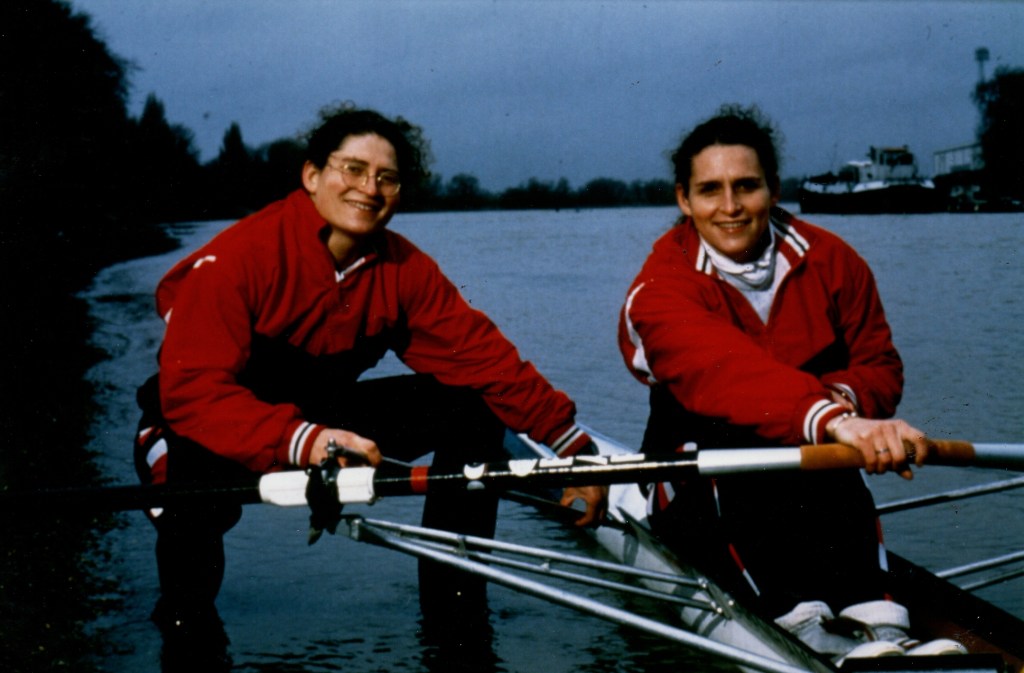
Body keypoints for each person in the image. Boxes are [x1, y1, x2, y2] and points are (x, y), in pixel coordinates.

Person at [134, 105, 606, 661]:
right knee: (190, 580)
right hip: (205, 426)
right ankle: (188, 637)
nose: (369, 188)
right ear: (312, 176)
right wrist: (307, 442)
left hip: (319, 419)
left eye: (387, 177)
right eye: (352, 169)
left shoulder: (406, 270)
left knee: (472, 409)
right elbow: (194, 394)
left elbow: (485, 360)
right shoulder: (235, 259)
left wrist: (573, 447)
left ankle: (455, 615)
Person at [617, 105, 964, 661]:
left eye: (746, 187)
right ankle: (798, 625)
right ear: (684, 201)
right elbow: (722, 371)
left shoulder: (835, 262)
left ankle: (878, 619)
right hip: (699, 470)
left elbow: (879, 362)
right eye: (710, 191)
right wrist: (836, 420)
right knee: (759, 449)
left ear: (774, 190)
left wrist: (845, 405)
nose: (729, 208)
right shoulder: (661, 286)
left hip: (808, 463)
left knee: (830, 458)